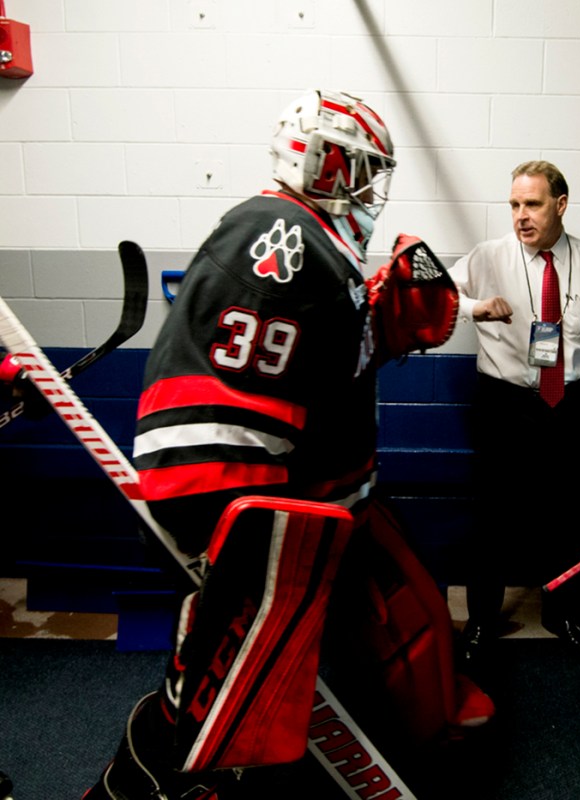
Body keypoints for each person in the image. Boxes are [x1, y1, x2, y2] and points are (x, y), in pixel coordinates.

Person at [81, 88, 485, 800]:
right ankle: (159, 778)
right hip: (272, 514)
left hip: (331, 501)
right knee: (225, 693)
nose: (368, 188)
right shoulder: (280, 233)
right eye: (357, 168)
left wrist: (381, 312)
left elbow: (317, 369)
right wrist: (255, 525)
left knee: (404, 621)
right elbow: (230, 396)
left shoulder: (315, 249)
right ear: (321, 162)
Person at [448, 160, 580, 665]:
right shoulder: (488, 256)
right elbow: (435, 294)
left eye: (533, 204)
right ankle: (480, 622)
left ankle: (562, 615)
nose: (521, 216)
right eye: (515, 205)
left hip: (570, 402)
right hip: (505, 402)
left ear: (560, 205)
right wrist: (474, 307)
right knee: (492, 518)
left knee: (570, 517)